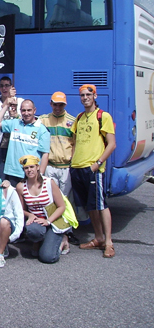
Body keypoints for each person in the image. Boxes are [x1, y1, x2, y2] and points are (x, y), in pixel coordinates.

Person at [70, 84, 116, 258]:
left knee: (101, 205)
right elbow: (74, 142)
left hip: (93, 169)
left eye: (88, 95)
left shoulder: (103, 116)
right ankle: (98, 238)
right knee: (91, 206)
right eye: (82, 95)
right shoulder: (80, 118)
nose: (85, 98)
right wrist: (72, 162)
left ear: (95, 96)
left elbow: (111, 144)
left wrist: (98, 163)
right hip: (78, 168)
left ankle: (109, 242)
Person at [39, 91, 79, 246]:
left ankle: (66, 234)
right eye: (55, 104)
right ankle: (54, 231)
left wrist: (73, 162)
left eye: (61, 104)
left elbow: (75, 144)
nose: (57, 107)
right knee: (51, 201)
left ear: (65, 105)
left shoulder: (72, 121)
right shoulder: (43, 120)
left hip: (66, 167)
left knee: (66, 201)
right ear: (51, 104)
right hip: (50, 166)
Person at [16, 155, 69, 263]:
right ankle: (39, 241)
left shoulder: (49, 182)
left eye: (32, 167)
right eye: (26, 168)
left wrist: (48, 221)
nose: (29, 170)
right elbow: (21, 210)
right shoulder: (21, 187)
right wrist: (29, 215)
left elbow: (62, 206)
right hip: (37, 221)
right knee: (32, 231)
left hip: (53, 221)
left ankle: (63, 241)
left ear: (38, 167)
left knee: (47, 257)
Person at [0, 99, 50, 186]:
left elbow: (45, 154)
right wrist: (6, 106)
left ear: (34, 110)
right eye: (23, 110)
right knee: (13, 199)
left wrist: (40, 175)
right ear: (20, 111)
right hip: (12, 173)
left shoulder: (42, 129)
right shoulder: (15, 123)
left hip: (31, 174)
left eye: (29, 110)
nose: (26, 113)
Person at [0, 76, 24, 178]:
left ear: (11, 87)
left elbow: (25, 119)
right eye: (1, 86)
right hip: (0, 146)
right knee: (1, 175)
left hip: (16, 145)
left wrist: (16, 113)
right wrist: (7, 101)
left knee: (15, 177)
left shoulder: (21, 101)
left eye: (7, 86)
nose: (4, 88)